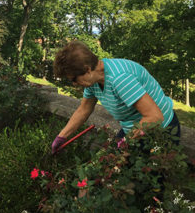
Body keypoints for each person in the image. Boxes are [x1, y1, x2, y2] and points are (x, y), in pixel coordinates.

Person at [51, 40, 181, 154]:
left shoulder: (120, 79)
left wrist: (125, 144)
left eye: (74, 79)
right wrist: (61, 137)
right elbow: (83, 110)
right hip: (133, 127)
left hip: (161, 129)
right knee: (113, 165)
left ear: (88, 69)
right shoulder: (93, 81)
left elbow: (154, 117)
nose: (74, 83)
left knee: (147, 178)